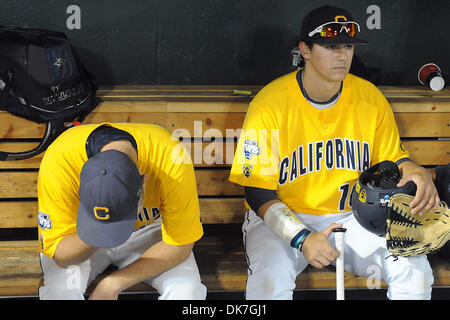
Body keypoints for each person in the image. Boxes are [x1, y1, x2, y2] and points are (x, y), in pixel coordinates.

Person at [229, 5, 439, 300]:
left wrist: (412, 169)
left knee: (414, 268)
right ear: (305, 49)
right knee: (268, 285)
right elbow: (257, 193)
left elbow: (392, 160)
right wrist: (302, 239)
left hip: (353, 218)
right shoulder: (270, 104)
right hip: (282, 220)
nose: (343, 55)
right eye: (331, 46)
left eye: (348, 46)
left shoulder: (370, 98)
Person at [37, 122, 206, 300]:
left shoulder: (169, 154)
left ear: (143, 181)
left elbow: (180, 244)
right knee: (59, 293)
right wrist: (99, 232)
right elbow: (62, 255)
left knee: (187, 291)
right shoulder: (61, 160)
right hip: (81, 234)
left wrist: (112, 284)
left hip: (147, 232)